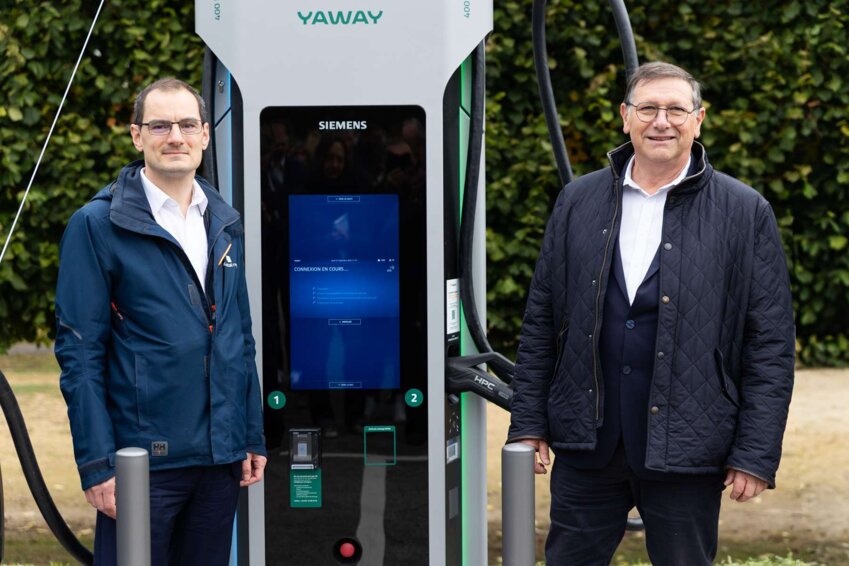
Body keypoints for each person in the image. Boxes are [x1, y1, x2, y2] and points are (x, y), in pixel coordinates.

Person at [507, 62, 795, 565]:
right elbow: (542, 321)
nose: (662, 121)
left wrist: (755, 453)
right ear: (625, 117)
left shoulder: (745, 212)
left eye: (676, 110)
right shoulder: (577, 201)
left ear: (698, 120)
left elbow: (769, 343)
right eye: (648, 109)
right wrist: (528, 422)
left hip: (688, 446)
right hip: (586, 442)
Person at [54, 78, 267, 565]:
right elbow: (79, 354)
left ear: (205, 135)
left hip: (219, 460)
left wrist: (250, 434)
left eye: (187, 125)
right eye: (160, 126)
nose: (175, 137)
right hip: (141, 466)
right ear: (137, 135)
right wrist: (97, 462)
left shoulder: (224, 221)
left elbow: (239, 338)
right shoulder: (98, 225)